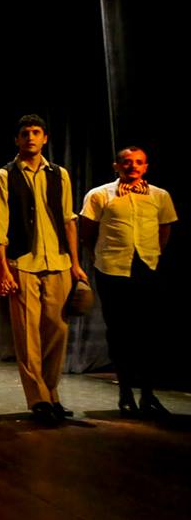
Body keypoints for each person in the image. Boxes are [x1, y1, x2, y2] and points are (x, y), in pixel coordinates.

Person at [0, 114, 87, 425]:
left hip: (58, 261)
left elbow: (69, 220)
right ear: (17, 140)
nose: (30, 137)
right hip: (23, 262)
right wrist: (3, 270)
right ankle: (38, 398)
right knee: (27, 333)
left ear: (45, 138)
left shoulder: (59, 174)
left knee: (57, 329)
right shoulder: (3, 176)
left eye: (36, 132)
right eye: (25, 133)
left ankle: (52, 392)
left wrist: (75, 264)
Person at [79, 146, 178, 418]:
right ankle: (125, 393)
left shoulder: (159, 196)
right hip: (112, 269)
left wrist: (153, 255)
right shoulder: (100, 195)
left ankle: (147, 394)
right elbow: (87, 231)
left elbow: (164, 229)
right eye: (126, 162)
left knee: (148, 332)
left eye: (138, 162)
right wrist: (99, 256)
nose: (132, 166)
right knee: (119, 332)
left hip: (147, 268)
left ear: (145, 167)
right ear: (116, 166)